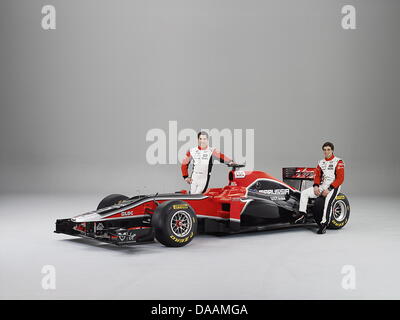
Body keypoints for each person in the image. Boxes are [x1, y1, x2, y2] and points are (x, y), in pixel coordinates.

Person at [294, 142, 345, 234]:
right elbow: (317, 176)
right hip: (322, 185)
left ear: (332, 150)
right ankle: (303, 215)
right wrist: (316, 186)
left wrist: (329, 189)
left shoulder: (338, 161)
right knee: (304, 193)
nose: (326, 152)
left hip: (334, 186)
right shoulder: (321, 162)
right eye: (324, 150)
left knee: (328, 202)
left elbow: (340, 179)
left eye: (328, 149)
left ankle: (324, 224)